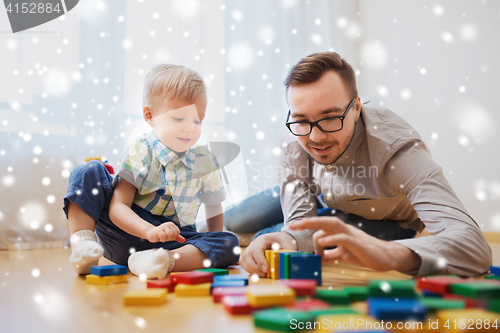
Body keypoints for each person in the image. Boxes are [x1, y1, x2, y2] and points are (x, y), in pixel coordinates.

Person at [236, 52, 492, 278]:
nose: (314, 137)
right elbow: (300, 221)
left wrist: (391, 253)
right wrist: (289, 236)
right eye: (302, 120)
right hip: (322, 196)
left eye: (330, 118)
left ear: (356, 108)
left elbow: (474, 247)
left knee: (311, 230)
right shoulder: (293, 135)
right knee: (239, 220)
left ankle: (256, 236)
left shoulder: (398, 152)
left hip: (386, 220)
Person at [64, 64, 239, 278]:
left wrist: (212, 247)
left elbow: (214, 209)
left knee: (228, 243)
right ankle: (84, 250)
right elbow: (118, 207)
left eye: (197, 120)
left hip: (174, 240)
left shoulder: (205, 161)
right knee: (88, 170)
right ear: (150, 115)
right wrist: (149, 231)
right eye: (178, 118)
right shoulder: (142, 150)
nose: (190, 128)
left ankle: (159, 261)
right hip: (126, 229)